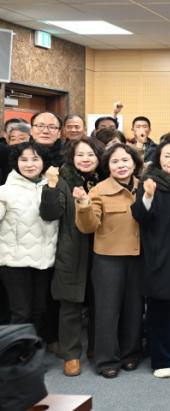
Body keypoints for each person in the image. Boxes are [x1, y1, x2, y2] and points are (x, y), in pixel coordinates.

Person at [74, 143, 144, 378]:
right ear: (107, 166)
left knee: (134, 309)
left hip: (138, 257)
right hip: (108, 259)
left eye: (125, 160)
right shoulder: (99, 190)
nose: (121, 165)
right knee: (107, 311)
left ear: (134, 163)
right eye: (115, 162)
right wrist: (84, 204)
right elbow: (88, 226)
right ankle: (106, 360)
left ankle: (131, 353)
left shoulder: (144, 186)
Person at [40, 138, 103, 377]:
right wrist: (51, 186)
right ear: (71, 157)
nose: (85, 159)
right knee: (70, 304)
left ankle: (96, 348)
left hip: (101, 249)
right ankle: (71, 354)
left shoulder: (106, 179)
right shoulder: (62, 180)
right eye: (80, 155)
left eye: (90, 154)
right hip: (71, 249)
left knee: (100, 303)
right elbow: (49, 213)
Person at [131, 139, 170, 379]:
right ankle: (161, 359)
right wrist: (147, 196)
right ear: (158, 159)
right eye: (167, 156)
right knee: (159, 308)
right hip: (158, 253)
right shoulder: (150, 182)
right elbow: (139, 215)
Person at [0, 142, 58, 340]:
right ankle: (16, 353)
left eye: (35, 159)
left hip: (44, 261)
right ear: (15, 163)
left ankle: (31, 352)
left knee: (39, 310)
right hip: (14, 263)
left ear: (44, 162)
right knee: (21, 312)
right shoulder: (5, 191)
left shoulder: (52, 186)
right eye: (23, 159)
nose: (29, 164)